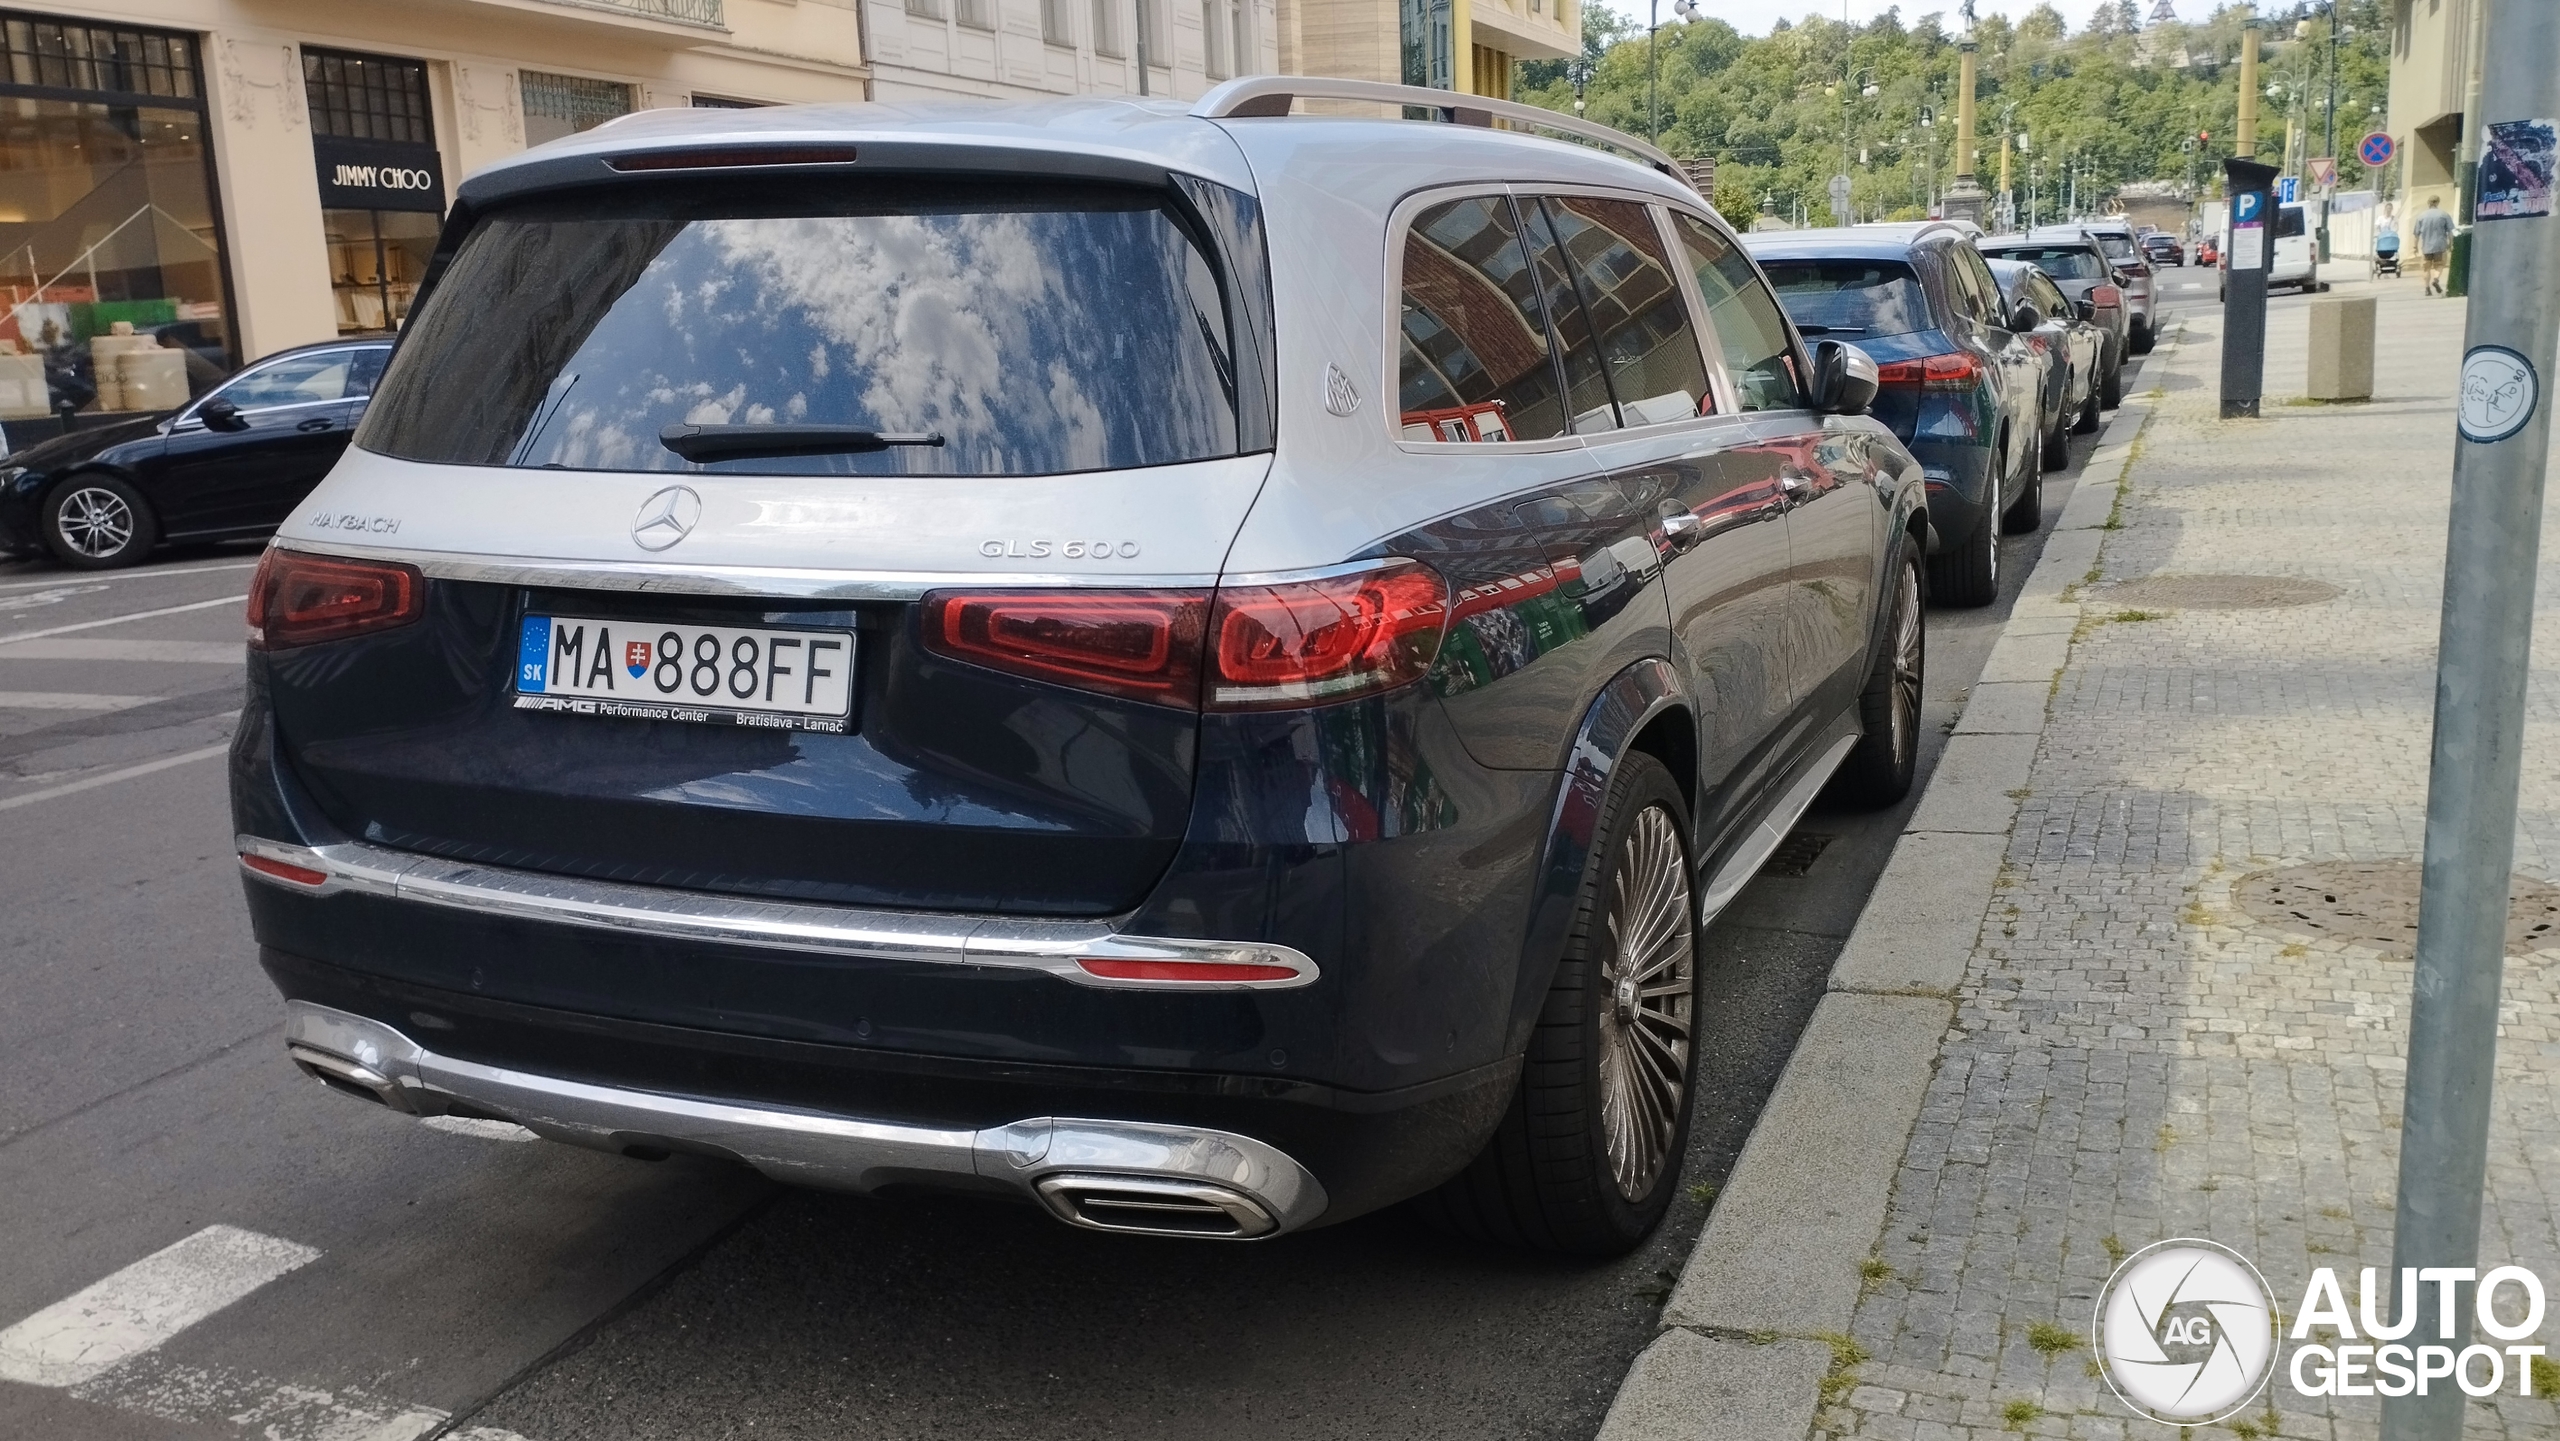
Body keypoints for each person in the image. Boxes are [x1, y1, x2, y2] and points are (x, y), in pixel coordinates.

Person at [2413, 195, 2455, 295]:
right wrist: (2450, 244)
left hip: (2426, 247)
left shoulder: (2421, 216)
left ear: (2428, 203)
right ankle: (2435, 279)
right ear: (2438, 202)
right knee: (2439, 265)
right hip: (2440, 246)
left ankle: (2427, 288)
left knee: (2426, 268)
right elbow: (2450, 232)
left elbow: (2416, 234)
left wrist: (2415, 247)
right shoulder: (2444, 215)